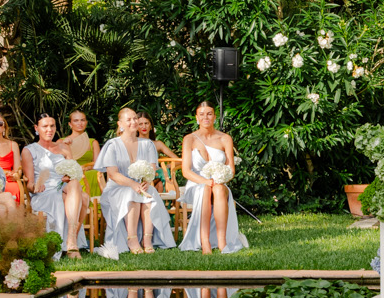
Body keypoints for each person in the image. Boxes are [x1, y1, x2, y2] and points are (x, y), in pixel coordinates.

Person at [94, 107, 175, 257]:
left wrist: (146, 181)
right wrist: (132, 184)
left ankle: (147, 239)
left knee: (149, 193)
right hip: (117, 188)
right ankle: (132, 240)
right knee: (132, 193)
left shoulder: (147, 144)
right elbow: (112, 174)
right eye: (129, 119)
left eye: (135, 118)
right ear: (120, 124)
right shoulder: (113, 145)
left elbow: (151, 169)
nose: (134, 122)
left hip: (141, 184)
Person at [179, 101, 246, 254]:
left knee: (219, 189)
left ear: (215, 117)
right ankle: (205, 243)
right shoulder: (189, 139)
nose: (205, 117)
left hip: (219, 182)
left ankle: (222, 241)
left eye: (209, 113)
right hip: (196, 183)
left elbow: (230, 169)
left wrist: (220, 178)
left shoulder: (225, 139)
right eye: (201, 114)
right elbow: (186, 171)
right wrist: (205, 181)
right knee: (205, 189)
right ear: (197, 117)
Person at [23, 113, 86, 255]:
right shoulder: (29, 150)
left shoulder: (63, 148)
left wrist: (68, 177)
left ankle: (71, 239)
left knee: (75, 183)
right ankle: (71, 242)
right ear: (36, 128)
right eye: (45, 126)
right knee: (84, 198)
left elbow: (74, 171)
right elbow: (29, 184)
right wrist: (36, 186)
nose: (49, 129)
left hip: (66, 186)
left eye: (52, 126)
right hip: (45, 191)